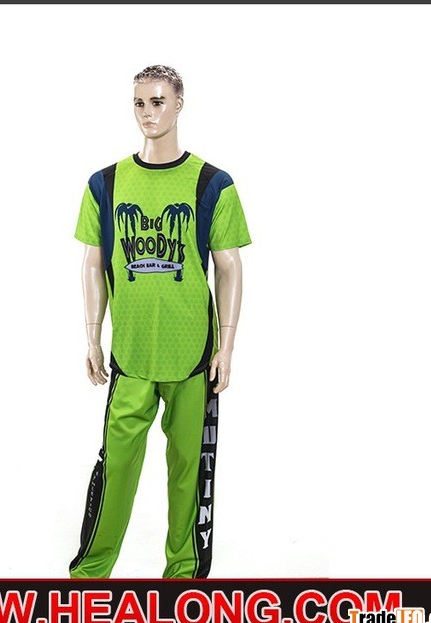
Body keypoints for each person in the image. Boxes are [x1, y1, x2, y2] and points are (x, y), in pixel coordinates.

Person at [69, 64, 251, 579]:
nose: (147, 113)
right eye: (139, 103)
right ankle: (90, 575)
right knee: (116, 469)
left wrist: (227, 346)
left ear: (179, 104)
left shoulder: (213, 184)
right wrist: (92, 336)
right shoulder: (105, 184)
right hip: (130, 357)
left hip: (192, 356)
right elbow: (92, 263)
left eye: (157, 102)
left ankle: (183, 579)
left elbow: (229, 266)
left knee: (189, 474)